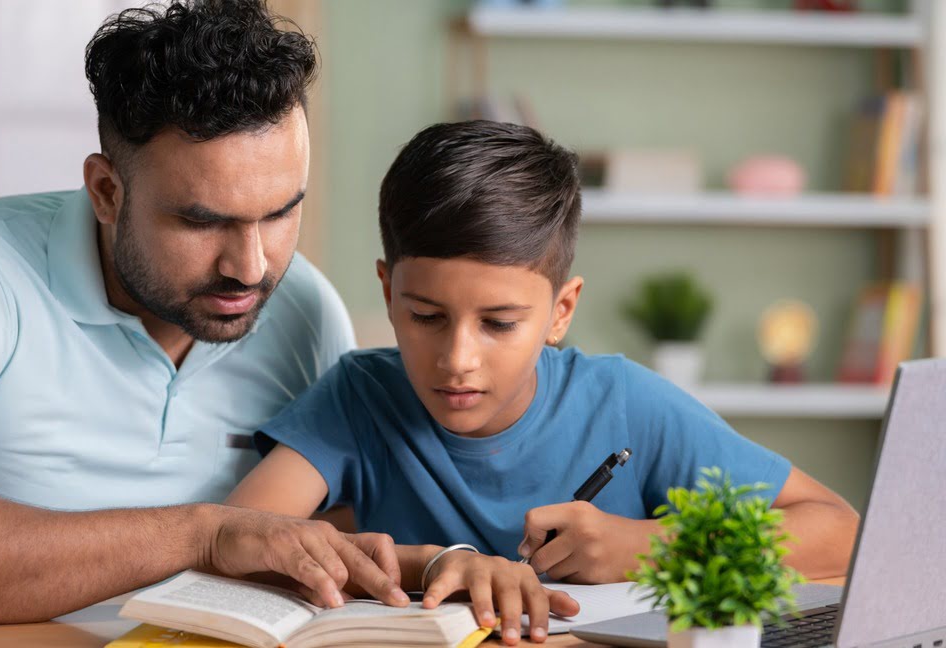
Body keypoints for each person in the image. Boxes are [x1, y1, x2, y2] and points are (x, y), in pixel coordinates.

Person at [0, 0, 410, 624]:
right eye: (203, 221)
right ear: (105, 191)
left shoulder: (305, 311)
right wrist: (201, 537)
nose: (252, 267)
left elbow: (332, 552)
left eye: (281, 212)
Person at [226, 120, 863, 645]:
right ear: (388, 292)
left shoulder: (624, 402)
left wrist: (646, 547)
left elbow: (840, 532)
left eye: (499, 323)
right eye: (426, 317)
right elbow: (234, 537)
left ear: (561, 312)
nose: (458, 359)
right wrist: (435, 560)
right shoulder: (359, 396)